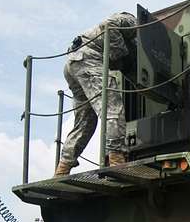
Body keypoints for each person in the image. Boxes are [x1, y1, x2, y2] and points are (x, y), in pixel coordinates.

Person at [55, 12, 137, 176]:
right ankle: (116, 159)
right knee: (112, 109)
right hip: (88, 61)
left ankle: (63, 168)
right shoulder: (132, 22)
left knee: (85, 122)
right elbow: (109, 25)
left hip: (74, 63)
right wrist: (121, 53)